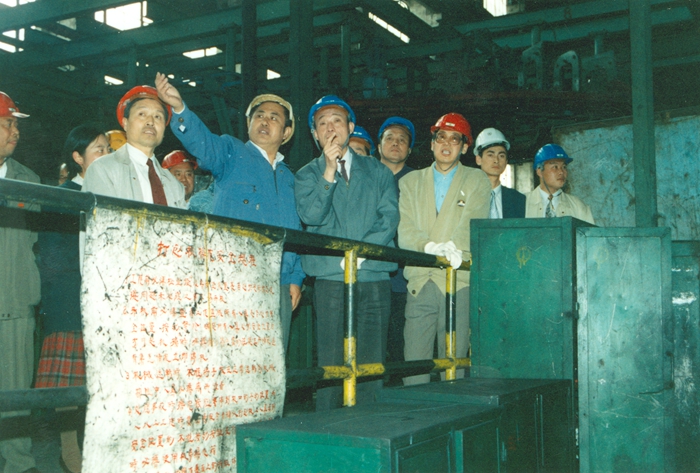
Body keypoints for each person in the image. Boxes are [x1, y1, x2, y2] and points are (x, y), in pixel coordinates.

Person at [154, 72, 305, 351]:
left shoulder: (290, 179)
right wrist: (179, 108)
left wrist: (294, 279)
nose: (265, 121)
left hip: (278, 285)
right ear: (248, 124)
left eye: (274, 117)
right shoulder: (230, 153)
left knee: (272, 363)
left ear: (286, 133)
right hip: (234, 280)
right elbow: (203, 142)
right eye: (259, 115)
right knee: (233, 360)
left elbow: (295, 232)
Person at [295, 95, 399, 410]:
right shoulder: (307, 174)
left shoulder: (378, 172)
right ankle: (328, 426)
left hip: (372, 274)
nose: (330, 128)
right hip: (330, 277)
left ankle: (368, 424)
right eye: (322, 123)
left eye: (337, 120)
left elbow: (389, 217)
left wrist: (362, 254)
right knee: (330, 362)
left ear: (351, 127)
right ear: (314, 134)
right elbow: (311, 215)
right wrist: (329, 171)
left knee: (370, 363)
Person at [36, 125, 109, 473]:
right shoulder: (63, 196)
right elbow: (53, 258)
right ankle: (71, 458)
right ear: (78, 157)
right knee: (69, 390)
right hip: (71, 303)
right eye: (98, 150)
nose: (106, 156)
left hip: (105, 306)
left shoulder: (110, 194)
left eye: (108, 150)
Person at [398, 112, 491, 385]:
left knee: (454, 366)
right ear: (431, 143)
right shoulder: (409, 182)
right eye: (441, 137)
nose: (446, 144)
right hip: (420, 281)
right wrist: (429, 246)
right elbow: (405, 229)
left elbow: (473, 220)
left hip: (457, 281)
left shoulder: (476, 180)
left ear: (464, 147)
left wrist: (454, 245)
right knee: (414, 366)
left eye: (455, 139)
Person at [0, 91, 42, 473]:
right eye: (7, 123)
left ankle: (18, 465)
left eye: (15, 125)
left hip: (13, 303)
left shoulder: (30, 181)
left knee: (15, 394)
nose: (15, 131)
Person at [82, 85, 185, 208]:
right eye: (142, 114)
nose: (150, 121)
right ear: (125, 123)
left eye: (158, 116)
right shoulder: (103, 170)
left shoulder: (175, 185)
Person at [376, 116, 415, 365]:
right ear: (379, 145)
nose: (395, 143)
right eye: (389, 138)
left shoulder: (418, 181)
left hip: (404, 277)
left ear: (409, 150)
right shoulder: (365, 176)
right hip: (372, 272)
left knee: (401, 343)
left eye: (402, 140)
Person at [525, 143, 595, 224]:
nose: (561, 172)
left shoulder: (579, 207)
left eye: (564, 167)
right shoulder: (522, 203)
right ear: (539, 171)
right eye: (555, 167)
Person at [474, 127, 526, 219]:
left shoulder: (518, 199)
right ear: (478, 159)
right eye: (490, 155)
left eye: (501, 156)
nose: (496, 160)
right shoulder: (469, 196)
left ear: (506, 161)